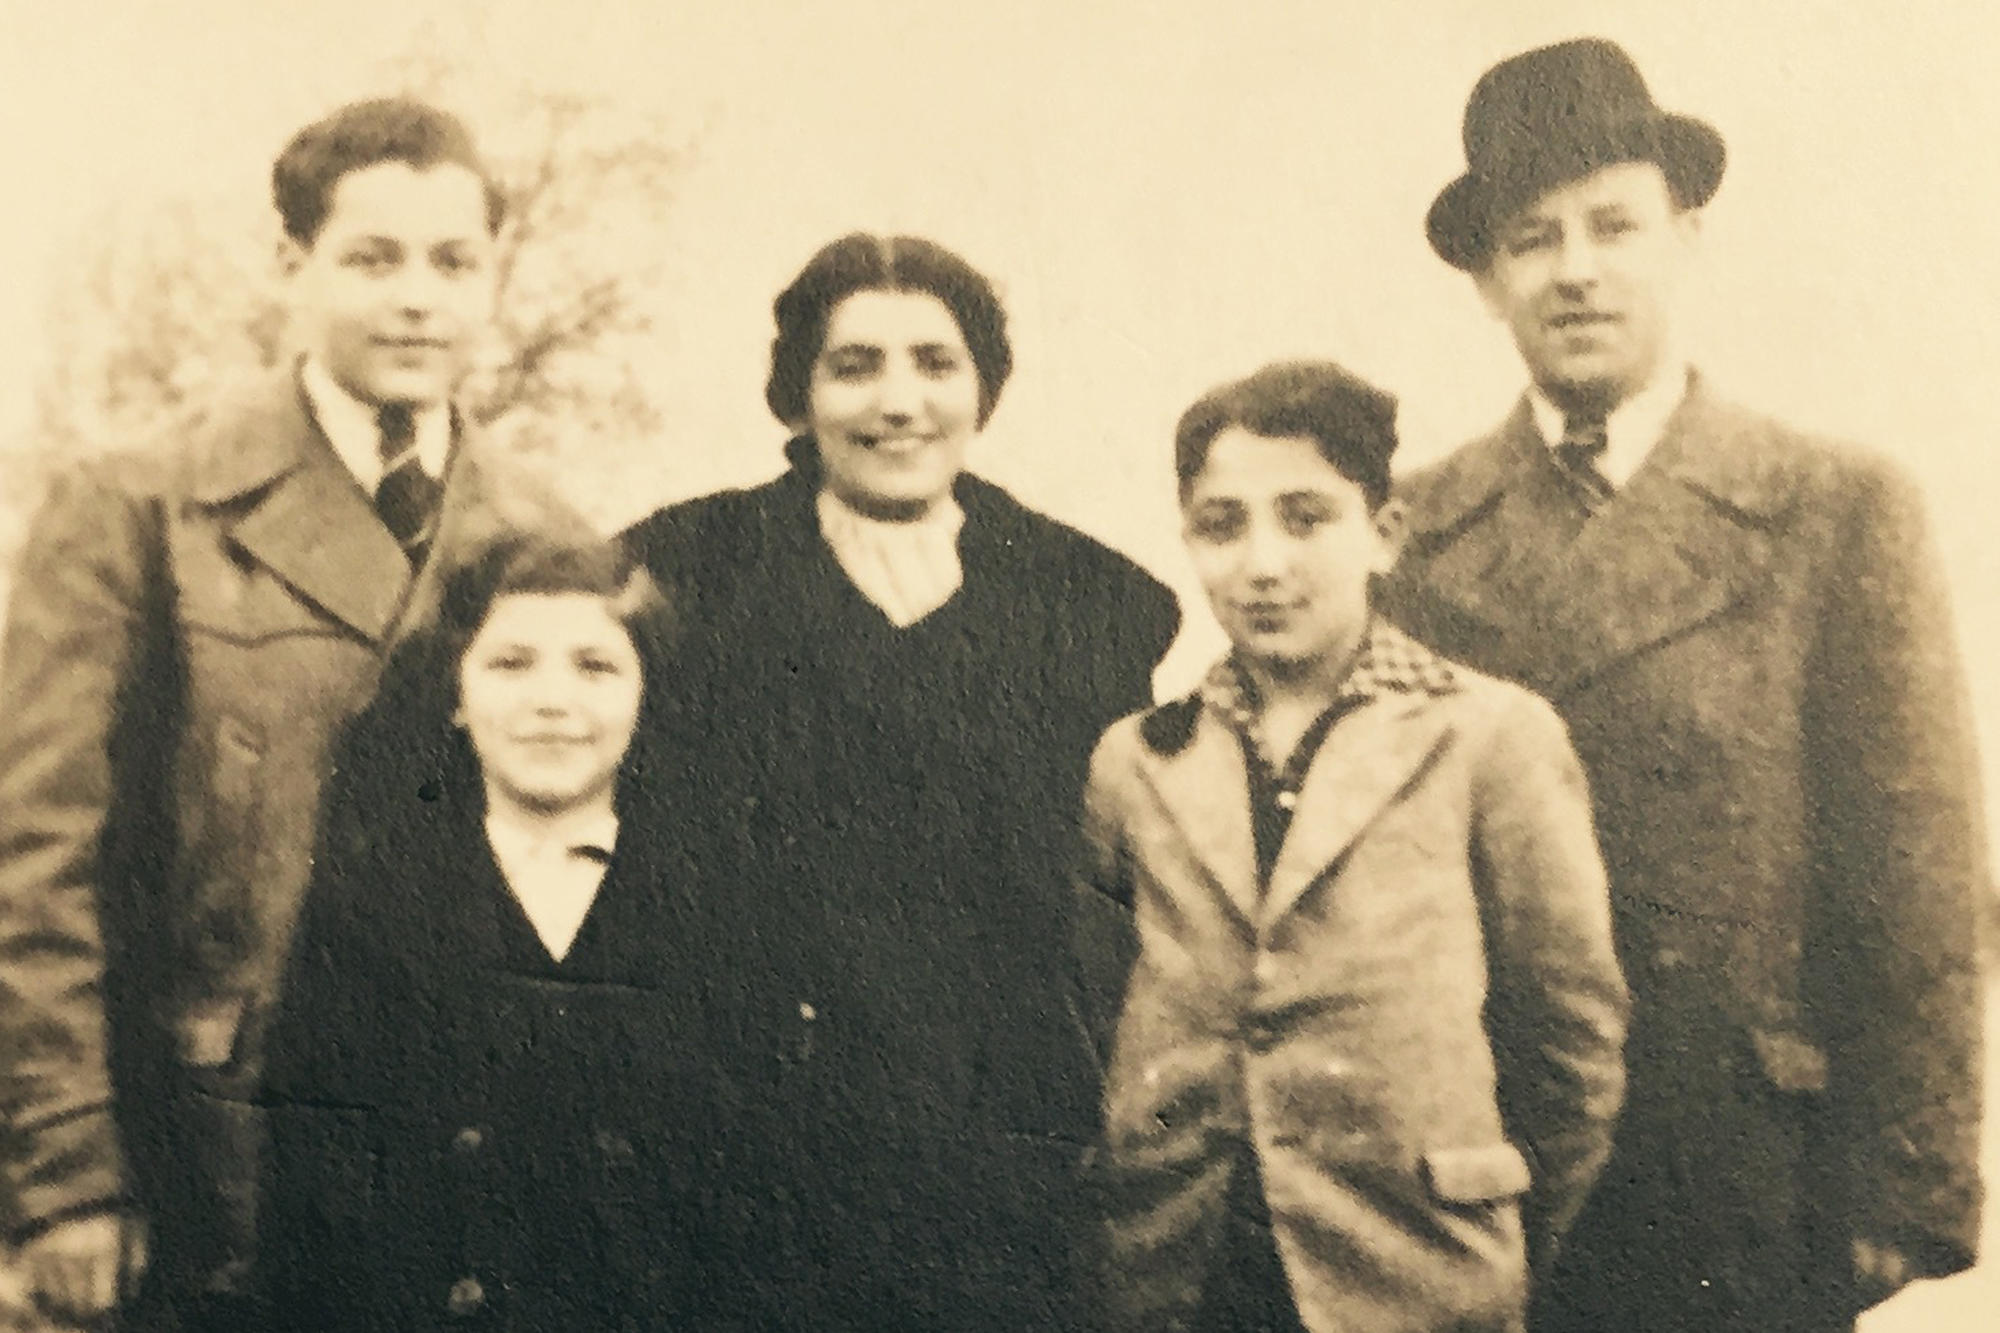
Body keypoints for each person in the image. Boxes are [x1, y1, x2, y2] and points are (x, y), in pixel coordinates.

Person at [1380, 37, 1989, 1332]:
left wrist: (1912, 1183)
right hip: (1493, 1168)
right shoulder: (1413, 534)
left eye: (1615, 223)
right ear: (1489, 279)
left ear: (1687, 236)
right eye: (1534, 237)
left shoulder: (1835, 509)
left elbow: (1920, 867)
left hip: (1753, 1169)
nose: (1578, 268)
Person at [0, 97, 563, 1328]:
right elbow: (33, 867)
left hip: (467, 1167)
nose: (417, 297)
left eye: (453, 262)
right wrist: (61, 1179)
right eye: (372, 258)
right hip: (207, 1164)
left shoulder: (549, 539)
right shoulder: (139, 507)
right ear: (290, 265)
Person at [622, 232, 1182, 1330]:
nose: (898, 402)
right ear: (798, 393)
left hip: (1001, 1158)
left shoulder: (1090, 601)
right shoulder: (682, 572)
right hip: (741, 1152)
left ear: (983, 387)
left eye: (934, 362)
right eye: (854, 364)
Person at [1088, 361, 1627, 1333]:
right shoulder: (1139, 758)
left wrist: (1485, 1235)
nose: (1261, 563)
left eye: (1304, 517)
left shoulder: (1486, 735)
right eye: (1221, 524)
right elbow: (1096, 1003)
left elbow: (1569, 1043)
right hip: (1184, 1271)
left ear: (1381, 534)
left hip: (1411, 1269)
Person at [258, 530, 729, 1330]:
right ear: (454, 690)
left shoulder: (717, 912)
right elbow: (314, 1207)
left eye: (596, 665)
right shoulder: (370, 908)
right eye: (511, 663)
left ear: (649, 693)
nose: (552, 700)